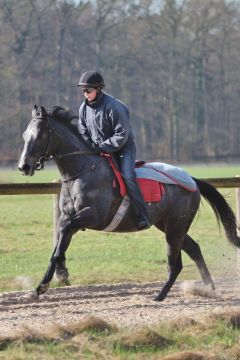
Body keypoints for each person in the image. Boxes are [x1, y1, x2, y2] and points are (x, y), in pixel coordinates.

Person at [78, 70, 150, 230]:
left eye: (88, 90)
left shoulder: (115, 107)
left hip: (123, 148)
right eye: (83, 90)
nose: (85, 93)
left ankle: (142, 215)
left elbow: (121, 135)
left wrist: (102, 147)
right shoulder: (83, 108)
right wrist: (90, 145)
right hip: (98, 148)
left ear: (98, 88)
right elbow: (82, 130)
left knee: (128, 175)